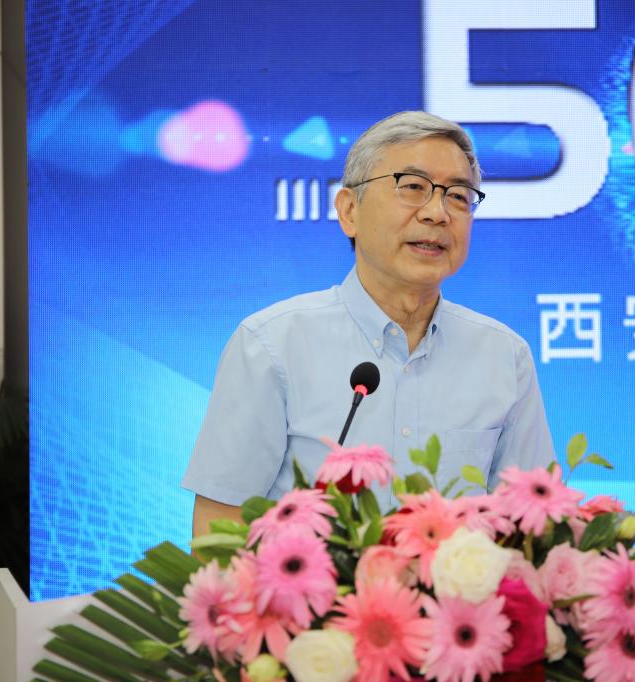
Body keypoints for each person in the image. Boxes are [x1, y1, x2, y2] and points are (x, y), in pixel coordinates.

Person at [183, 111, 554, 535]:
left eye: (458, 195)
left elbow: (535, 529)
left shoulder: (504, 357)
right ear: (349, 210)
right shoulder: (272, 346)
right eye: (412, 187)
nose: (437, 213)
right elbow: (220, 531)